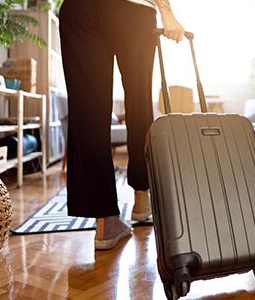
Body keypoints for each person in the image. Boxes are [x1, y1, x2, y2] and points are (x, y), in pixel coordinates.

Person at [59, 0, 185, 250]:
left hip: (78, 8)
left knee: (87, 109)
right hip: (131, 9)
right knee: (138, 101)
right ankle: (142, 197)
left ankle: (106, 222)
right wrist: (166, 11)